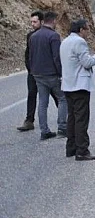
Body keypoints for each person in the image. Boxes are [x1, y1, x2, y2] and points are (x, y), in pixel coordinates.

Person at [60, 19, 95, 160]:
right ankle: (82, 150)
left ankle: (71, 147)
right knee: (81, 119)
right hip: (79, 85)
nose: (88, 32)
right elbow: (87, 62)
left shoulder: (64, 42)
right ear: (81, 30)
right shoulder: (79, 42)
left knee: (71, 117)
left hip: (67, 85)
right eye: (87, 29)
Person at [17, 11, 59, 131]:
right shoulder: (30, 36)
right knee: (32, 94)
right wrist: (30, 68)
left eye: (35, 22)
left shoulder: (51, 35)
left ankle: (65, 120)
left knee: (56, 95)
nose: (32, 24)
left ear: (42, 22)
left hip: (47, 72)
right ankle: (29, 121)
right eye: (31, 22)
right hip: (33, 72)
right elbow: (28, 54)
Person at [29, 11, 67, 140]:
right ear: (54, 21)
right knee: (62, 99)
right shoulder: (54, 36)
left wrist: (33, 71)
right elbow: (57, 57)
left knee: (42, 103)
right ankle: (62, 127)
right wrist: (61, 73)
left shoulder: (33, 36)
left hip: (37, 74)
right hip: (51, 74)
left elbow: (30, 56)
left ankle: (44, 130)